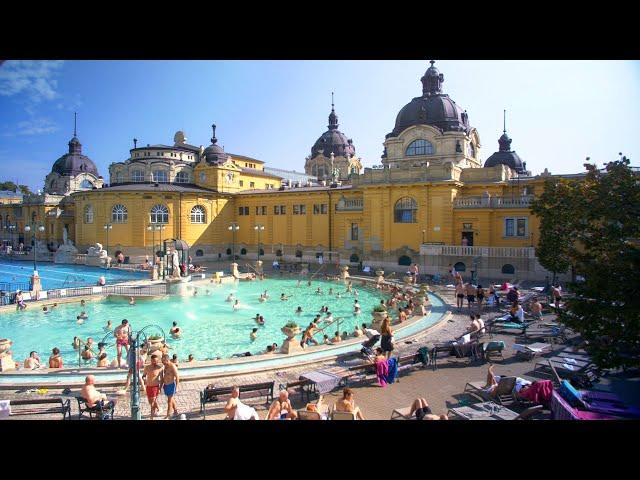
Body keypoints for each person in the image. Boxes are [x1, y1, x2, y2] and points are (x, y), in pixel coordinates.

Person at [142, 354, 164, 419]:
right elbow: (144, 375)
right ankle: (158, 409)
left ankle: (151, 417)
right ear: (151, 360)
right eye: (154, 361)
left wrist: (160, 388)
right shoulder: (147, 367)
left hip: (155, 387)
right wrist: (144, 379)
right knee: (150, 402)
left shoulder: (159, 368)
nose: (155, 362)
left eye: (157, 361)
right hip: (148, 386)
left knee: (152, 403)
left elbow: (162, 379)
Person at [161, 354, 179, 419]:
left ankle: (168, 415)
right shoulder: (165, 366)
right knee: (171, 399)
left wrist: (176, 387)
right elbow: (164, 376)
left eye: (163, 361)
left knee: (169, 401)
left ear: (167, 360)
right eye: (162, 361)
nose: (162, 362)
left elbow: (177, 377)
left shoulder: (172, 366)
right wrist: (162, 385)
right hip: (166, 385)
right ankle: (176, 411)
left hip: (171, 385)